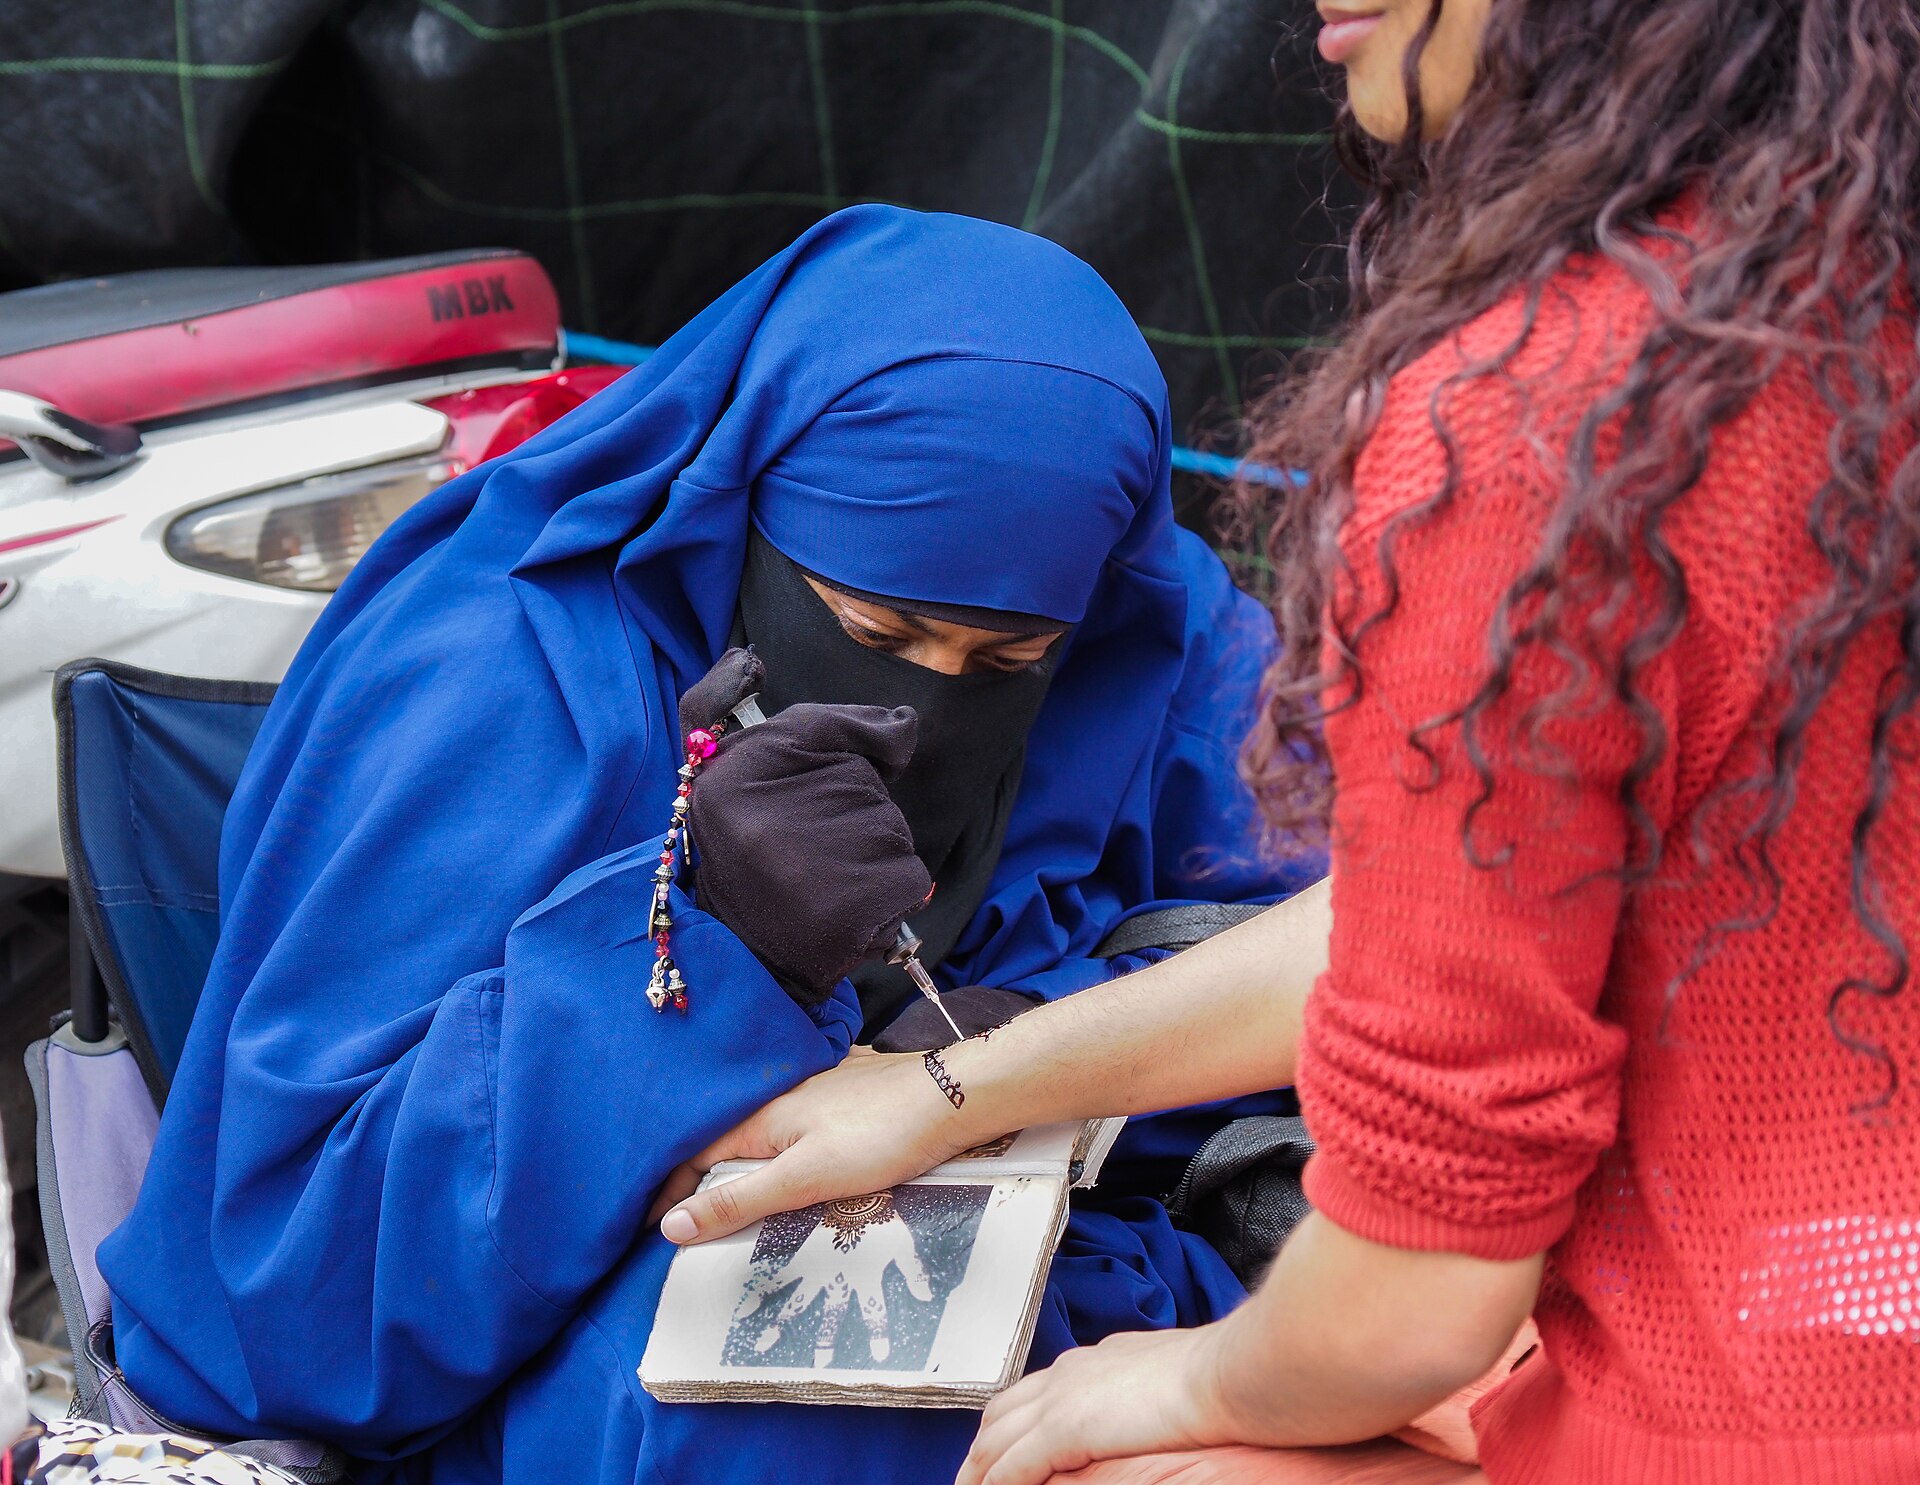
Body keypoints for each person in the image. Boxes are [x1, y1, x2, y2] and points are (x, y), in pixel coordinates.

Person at [656, 1, 1920, 1481]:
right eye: (879, 633)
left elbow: (1419, 1275)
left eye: (1009, 660)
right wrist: (950, 1088)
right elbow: (1421, 926)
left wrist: (1185, 1388)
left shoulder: (1542, 433)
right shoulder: (1842, 314)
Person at [96, 205, 1323, 1485]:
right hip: (533, 1372)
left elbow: (1377, 972)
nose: (931, 708)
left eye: (1009, 663)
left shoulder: (1154, 643)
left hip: (1061, 1271)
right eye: (876, 631)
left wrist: (1034, 1050)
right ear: (744, 510)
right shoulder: (498, 683)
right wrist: (713, 942)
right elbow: (283, 1307)